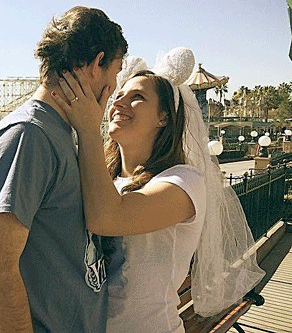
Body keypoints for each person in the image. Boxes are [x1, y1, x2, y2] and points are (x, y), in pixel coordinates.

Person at [52, 47, 265, 333]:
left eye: (137, 97)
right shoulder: (103, 177)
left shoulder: (184, 182)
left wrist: (88, 129)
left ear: (163, 118)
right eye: (118, 95)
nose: (119, 103)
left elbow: (107, 218)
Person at [0, 6, 128, 332]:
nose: (115, 84)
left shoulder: (61, 133)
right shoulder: (28, 135)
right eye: (116, 70)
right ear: (97, 64)